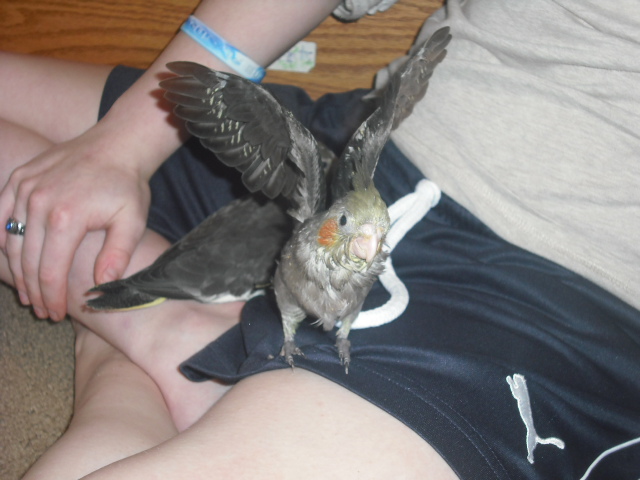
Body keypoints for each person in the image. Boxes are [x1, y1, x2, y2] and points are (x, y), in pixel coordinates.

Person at [2, 0, 639, 478]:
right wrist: (122, 146)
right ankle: (168, 337)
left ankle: (128, 357)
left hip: (545, 289)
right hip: (365, 150)